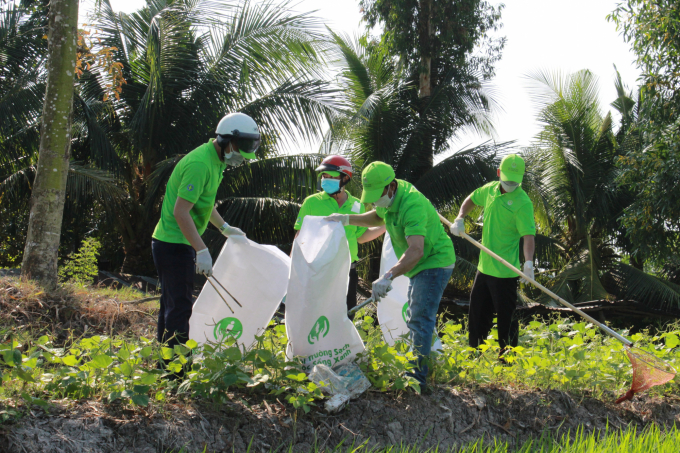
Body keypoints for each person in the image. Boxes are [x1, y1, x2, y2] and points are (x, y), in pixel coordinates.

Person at [325, 161, 455, 390]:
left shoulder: (411, 204)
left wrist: (388, 276)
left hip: (435, 261)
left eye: (378, 195)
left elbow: (416, 250)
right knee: (416, 315)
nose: (375, 200)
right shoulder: (389, 197)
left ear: (391, 186)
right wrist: (346, 219)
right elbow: (377, 217)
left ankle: (418, 379)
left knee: (419, 317)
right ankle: (418, 368)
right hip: (420, 263)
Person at [151, 112, 260, 349]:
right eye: (240, 147)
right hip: (172, 244)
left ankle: (165, 363)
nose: (242, 155)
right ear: (226, 140)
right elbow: (181, 212)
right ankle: (177, 372)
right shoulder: (200, 164)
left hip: (179, 242)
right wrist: (201, 249)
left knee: (171, 305)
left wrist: (224, 228)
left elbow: (204, 202)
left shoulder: (216, 161)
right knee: (179, 308)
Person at [449, 153, 536, 358]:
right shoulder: (489, 190)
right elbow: (471, 199)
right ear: (499, 173)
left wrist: (529, 263)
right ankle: (474, 357)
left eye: (515, 180)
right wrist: (460, 217)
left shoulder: (523, 203)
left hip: (506, 272)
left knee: (507, 322)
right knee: (477, 317)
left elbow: (528, 237)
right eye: (507, 179)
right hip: (484, 268)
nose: (511, 183)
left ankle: (507, 362)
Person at [294, 155, 385, 313]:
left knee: (345, 315)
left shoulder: (357, 204)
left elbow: (361, 237)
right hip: (317, 271)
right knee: (315, 315)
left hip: (347, 271)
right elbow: (299, 238)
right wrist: (293, 272)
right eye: (323, 176)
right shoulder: (311, 202)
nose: (325, 179)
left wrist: (386, 226)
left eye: (330, 176)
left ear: (345, 178)